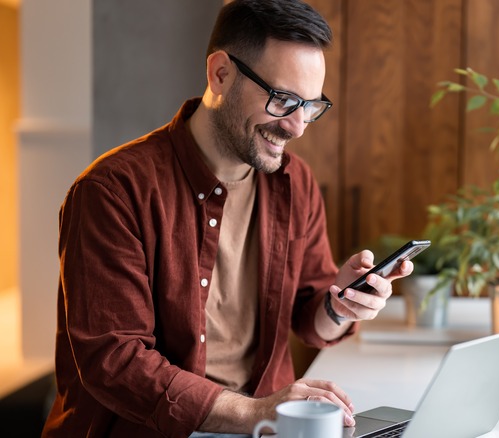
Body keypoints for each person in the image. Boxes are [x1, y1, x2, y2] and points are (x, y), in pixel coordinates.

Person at [41, 1, 413, 436]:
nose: (298, 127)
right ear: (220, 73)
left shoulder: (295, 183)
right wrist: (257, 412)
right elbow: (115, 362)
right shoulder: (112, 192)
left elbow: (307, 316)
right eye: (283, 100)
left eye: (311, 106)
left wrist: (340, 304)